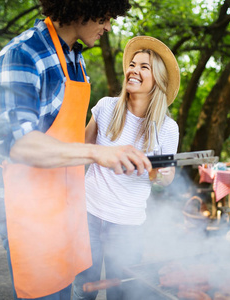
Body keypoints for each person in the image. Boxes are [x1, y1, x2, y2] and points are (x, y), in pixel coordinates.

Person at [0, 1, 152, 300]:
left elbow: (72, 137)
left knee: (64, 294)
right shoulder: (21, 54)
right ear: (81, 7)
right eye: (104, 17)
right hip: (27, 205)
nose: (108, 27)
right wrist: (97, 154)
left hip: (65, 205)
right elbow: (20, 145)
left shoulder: (75, 58)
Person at [72, 36, 180, 300]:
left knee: (121, 293)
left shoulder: (168, 128)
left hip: (128, 225)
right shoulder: (106, 107)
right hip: (88, 214)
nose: (134, 70)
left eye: (145, 67)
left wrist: (159, 173)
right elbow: (81, 153)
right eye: (133, 64)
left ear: (158, 79)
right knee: (83, 287)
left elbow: (166, 178)